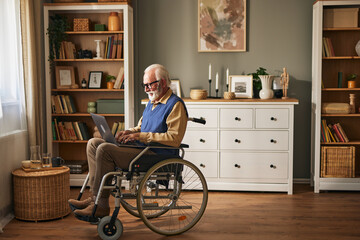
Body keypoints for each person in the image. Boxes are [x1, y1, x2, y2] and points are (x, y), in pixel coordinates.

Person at [69, 64, 188, 218]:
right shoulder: (152, 102)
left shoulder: (175, 105)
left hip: (155, 154)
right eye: (144, 85)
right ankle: (94, 198)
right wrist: (129, 132)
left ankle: (102, 205)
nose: (146, 89)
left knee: (104, 150)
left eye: (149, 85)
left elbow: (174, 139)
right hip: (141, 149)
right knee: (93, 144)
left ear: (163, 83)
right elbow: (141, 127)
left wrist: (140, 137)